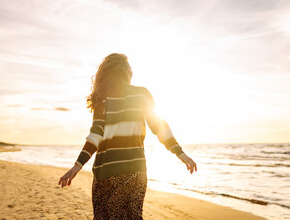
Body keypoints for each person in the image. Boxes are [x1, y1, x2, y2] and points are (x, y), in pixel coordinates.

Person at [58, 53, 197, 219]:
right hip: (136, 172)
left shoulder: (102, 99)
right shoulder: (142, 94)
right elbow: (159, 126)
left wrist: (78, 165)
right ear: (125, 72)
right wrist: (179, 152)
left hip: (106, 173)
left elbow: (95, 136)